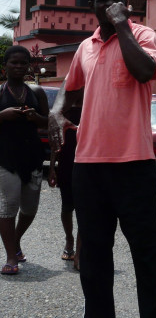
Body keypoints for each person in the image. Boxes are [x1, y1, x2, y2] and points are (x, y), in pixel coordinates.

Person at [48, 0, 156, 317]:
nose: (113, 5)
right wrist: (57, 111)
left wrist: (122, 27)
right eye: (104, 1)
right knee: (94, 257)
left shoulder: (143, 36)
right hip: (89, 167)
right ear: (93, 7)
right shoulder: (85, 47)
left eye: (119, 0)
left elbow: (145, 71)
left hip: (134, 165)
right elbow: (70, 87)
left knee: (147, 256)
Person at [0, 45, 49, 276]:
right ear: (5, 66)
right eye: (14, 63)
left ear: (28, 66)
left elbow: (47, 123)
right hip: (5, 157)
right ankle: (11, 255)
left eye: (23, 63)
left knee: (30, 209)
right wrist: (3, 115)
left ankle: (16, 241)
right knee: (7, 208)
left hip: (32, 156)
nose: (19, 67)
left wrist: (34, 116)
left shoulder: (36, 92)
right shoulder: (0, 92)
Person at [47, 104, 82, 270]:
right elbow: (56, 140)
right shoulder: (64, 108)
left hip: (87, 162)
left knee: (85, 209)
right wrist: (52, 168)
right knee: (67, 207)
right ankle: (69, 240)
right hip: (67, 163)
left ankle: (81, 252)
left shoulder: (92, 105)